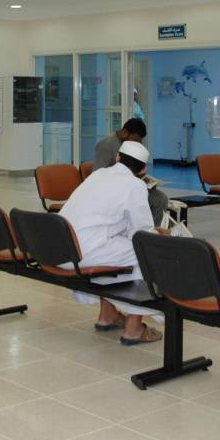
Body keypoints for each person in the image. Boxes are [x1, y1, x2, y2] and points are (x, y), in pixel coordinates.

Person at [59, 140, 163, 345]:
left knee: (121, 250)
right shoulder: (135, 185)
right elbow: (142, 234)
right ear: (143, 169)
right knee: (146, 253)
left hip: (59, 247)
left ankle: (108, 315)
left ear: (117, 158)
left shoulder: (98, 174)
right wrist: (160, 234)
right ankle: (134, 329)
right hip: (84, 252)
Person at [94, 118, 169, 225]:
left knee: (160, 198)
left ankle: (152, 231)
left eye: (139, 141)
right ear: (124, 132)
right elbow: (98, 176)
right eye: (135, 140)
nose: (136, 144)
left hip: (130, 186)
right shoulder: (106, 145)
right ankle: (142, 230)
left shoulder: (130, 144)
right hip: (116, 191)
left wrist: (143, 179)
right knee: (146, 201)